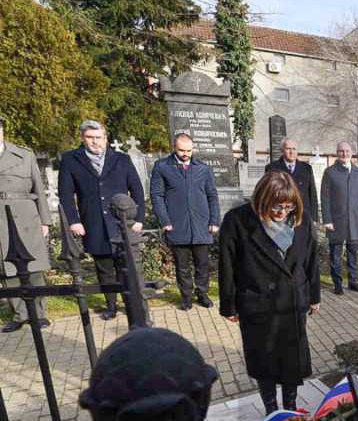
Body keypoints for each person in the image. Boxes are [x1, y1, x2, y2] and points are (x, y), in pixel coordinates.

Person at [219, 171, 321, 413]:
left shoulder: (302, 219)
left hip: (292, 302)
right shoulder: (238, 220)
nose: (282, 212)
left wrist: (314, 296)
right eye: (276, 206)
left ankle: (291, 406)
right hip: (258, 303)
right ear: (262, 199)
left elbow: (311, 260)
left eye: (288, 206)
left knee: (292, 358)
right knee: (263, 359)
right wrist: (229, 306)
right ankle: (271, 409)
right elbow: (227, 265)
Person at [59, 120, 144, 321]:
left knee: (126, 266)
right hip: (94, 222)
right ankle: (111, 305)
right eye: (90, 137)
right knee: (104, 267)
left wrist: (139, 218)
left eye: (98, 137)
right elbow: (66, 194)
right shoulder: (70, 159)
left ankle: (131, 304)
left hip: (121, 222)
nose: (94, 141)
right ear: (82, 138)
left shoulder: (122, 159)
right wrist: (74, 221)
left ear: (105, 139)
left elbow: (137, 189)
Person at [149, 134, 220, 311]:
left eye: (189, 150)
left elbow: (212, 195)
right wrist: (164, 220)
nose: (185, 154)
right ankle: (186, 296)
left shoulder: (202, 168)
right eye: (181, 150)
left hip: (201, 224)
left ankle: (202, 294)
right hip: (177, 223)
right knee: (182, 266)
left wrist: (214, 220)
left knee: (203, 264)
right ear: (174, 147)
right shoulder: (162, 167)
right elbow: (157, 196)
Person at [0, 115, 53, 332]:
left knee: (34, 266)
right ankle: (20, 314)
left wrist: (45, 221)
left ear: (2, 130)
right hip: (0, 219)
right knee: (8, 268)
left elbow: (38, 189)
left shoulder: (23, 154)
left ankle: (39, 314)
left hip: (25, 215)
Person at [321, 142, 358, 295]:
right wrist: (327, 220)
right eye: (341, 151)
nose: (344, 154)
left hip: (354, 220)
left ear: (352, 152)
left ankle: (353, 282)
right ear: (337, 153)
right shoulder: (330, 172)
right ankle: (338, 284)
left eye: (347, 151)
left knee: (353, 253)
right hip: (336, 220)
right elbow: (325, 198)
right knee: (335, 255)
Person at [265, 137, 318, 222]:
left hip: (303, 214)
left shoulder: (306, 168)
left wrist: (314, 218)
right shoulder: (272, 168)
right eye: (288, 149)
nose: (291, 152)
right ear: (282, 150)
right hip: (281, 214)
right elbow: (268, 194)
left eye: (294, 149)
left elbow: (312, 193)